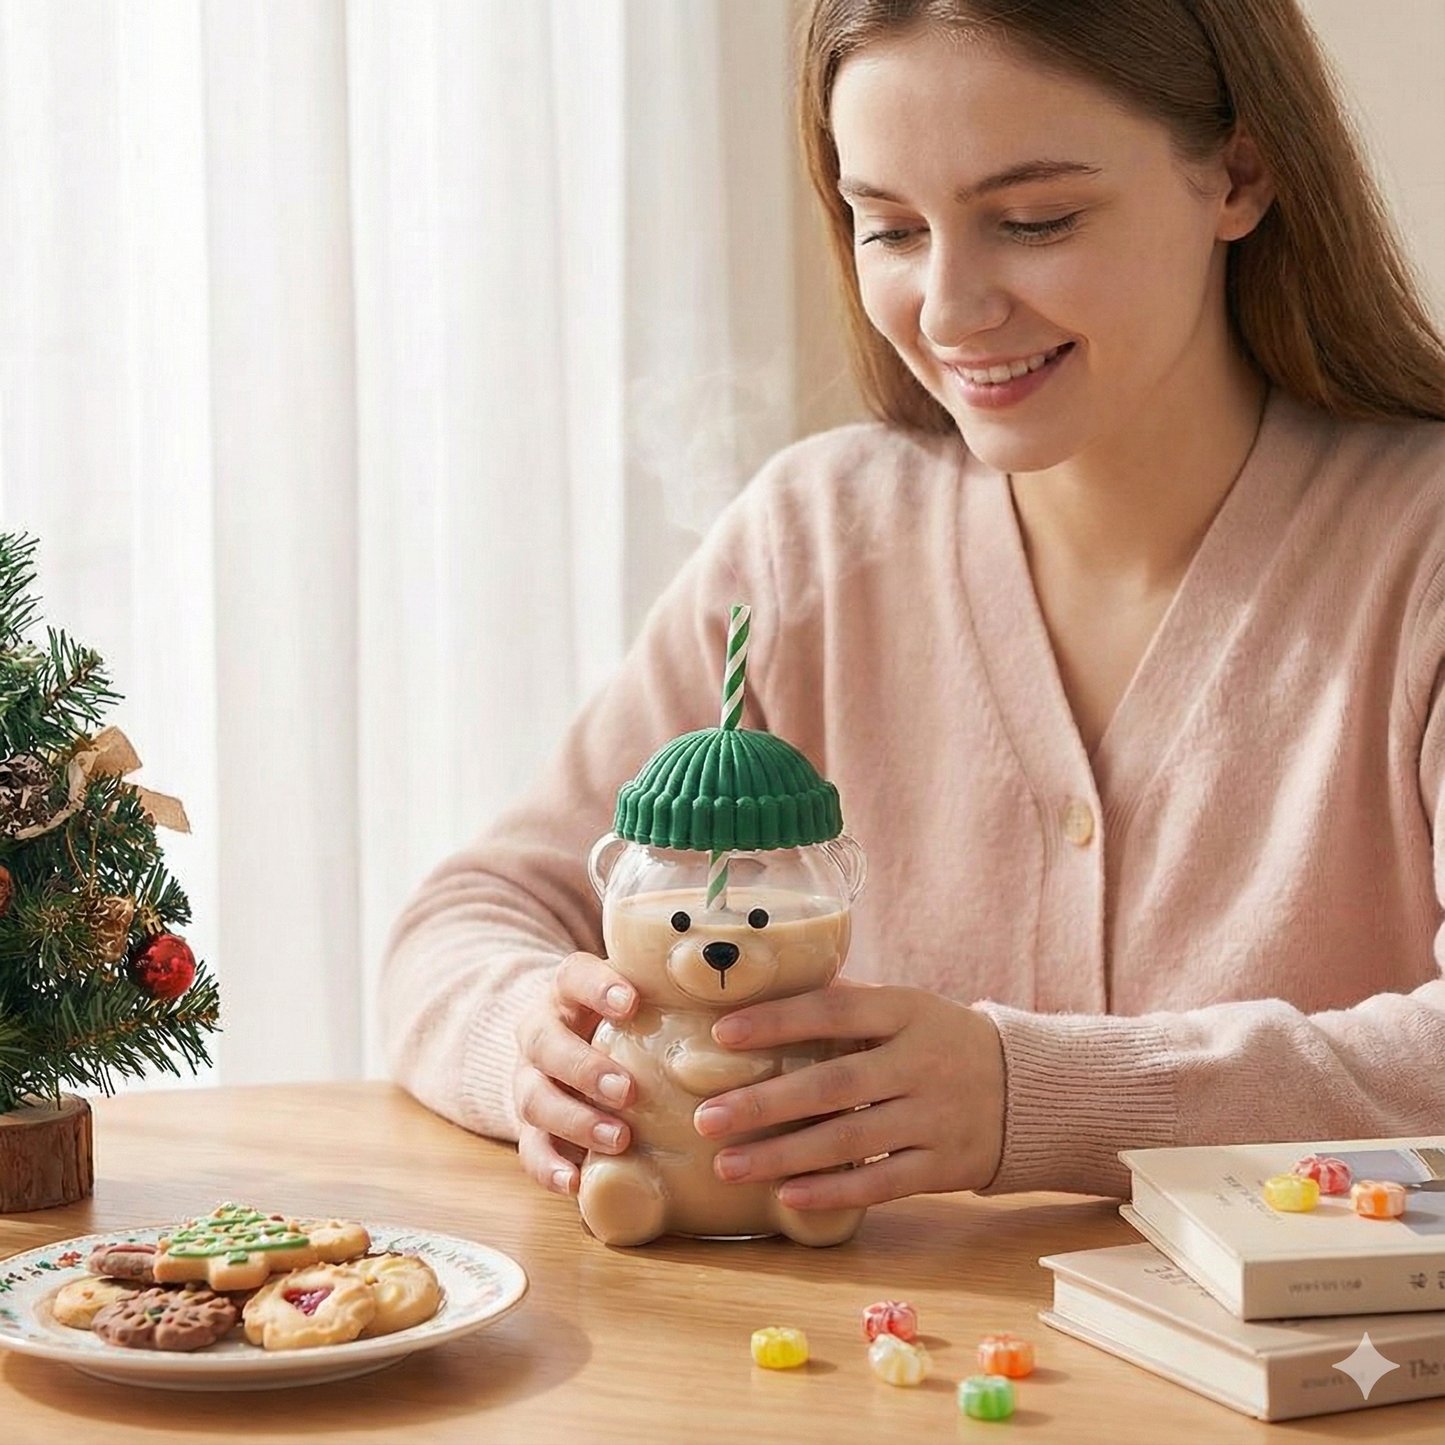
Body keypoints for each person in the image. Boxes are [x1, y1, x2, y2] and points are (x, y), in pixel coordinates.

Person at [381, 0, 1445, 1210]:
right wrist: (537, 1041)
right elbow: (468, 915)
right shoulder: (814, 539)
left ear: (1237, 175)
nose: (946, 310)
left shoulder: (1418, 561)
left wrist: (1026, 1094)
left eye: (1033, 219)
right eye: (886, 228)